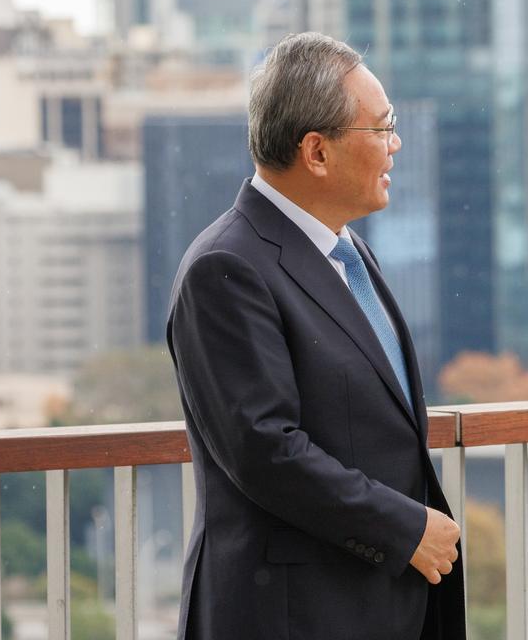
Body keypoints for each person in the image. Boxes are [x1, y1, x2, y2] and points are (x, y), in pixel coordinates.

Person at [167, 32, 464, 640]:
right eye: (381, 129)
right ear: (317, 152)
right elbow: (266, 450)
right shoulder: (225, 268)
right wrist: (404, 528)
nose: (396, 145)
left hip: (376, 603)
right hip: (292, 612)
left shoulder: (348, 251)